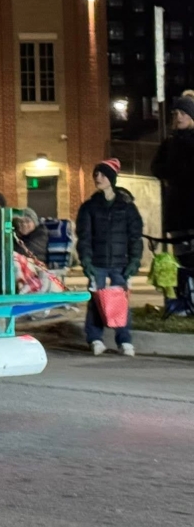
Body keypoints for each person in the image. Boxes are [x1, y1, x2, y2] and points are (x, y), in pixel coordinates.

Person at [76, 158, 143, 356]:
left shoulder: (127, 208)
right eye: (96, 174)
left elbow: (135, 237)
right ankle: (95, 338)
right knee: (96, 302)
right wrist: (86, 261)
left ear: (111, 178)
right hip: (97, 264)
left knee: (121, 303)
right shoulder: (88, 207)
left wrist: (134, 261)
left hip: (120, 265)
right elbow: (85, 238)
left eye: (103, 174)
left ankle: (124, 340)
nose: (98, 177)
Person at [150, 94, 194, 266]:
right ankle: (184, 291)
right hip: (177, 212)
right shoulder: (170, 142)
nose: (179, 117)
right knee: (182, 261)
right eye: (176, 113)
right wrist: (171, 174)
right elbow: (156, 167)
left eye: (183, 113)